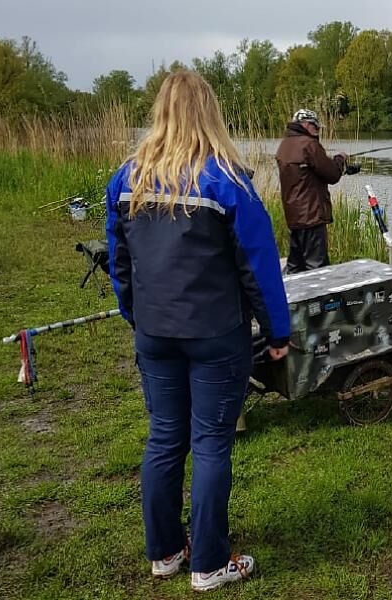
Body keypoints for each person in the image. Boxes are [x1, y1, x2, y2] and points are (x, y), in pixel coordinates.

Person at [105, 71, 290, 591]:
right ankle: (209, 562)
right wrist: (278, 331)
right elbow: (258, 265)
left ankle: (165, 553)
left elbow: (119, 262)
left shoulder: (128, 179)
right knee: (210, 443)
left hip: (156, 332)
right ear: (209, 111)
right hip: (215, 334)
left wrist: (134, 314)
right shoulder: (227, 181)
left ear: (160, 112)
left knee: (165, 437)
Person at [275, 108, 357, 273]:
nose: (317, 131)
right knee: (317, 269)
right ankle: (320, 299)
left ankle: (292, 298)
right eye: (316, 127)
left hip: (294, 217)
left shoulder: (284, 145)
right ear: (306, 124)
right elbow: (332, 175)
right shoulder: (309, 144)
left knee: (295, 267)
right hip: (311, 216)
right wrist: (340, 159)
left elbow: (307, 175)